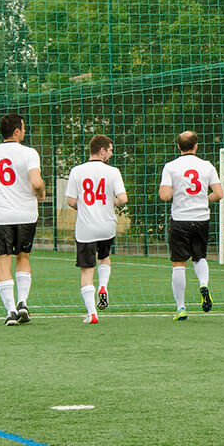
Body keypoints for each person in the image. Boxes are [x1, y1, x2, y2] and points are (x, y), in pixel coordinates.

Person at [0, 113, 46, 326]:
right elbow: (35, 182)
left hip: (1, 217)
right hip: (26, 214)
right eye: (23, 128)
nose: (25, 131)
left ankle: (11, 311)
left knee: (2, 261)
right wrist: (41, 191)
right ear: (17, 131)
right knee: (23, 258)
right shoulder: (29, 153)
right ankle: (23, 302)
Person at [159, 131, 223, 321]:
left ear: (179, 147)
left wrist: (176, 192)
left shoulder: (170, 167)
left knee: (178, 264)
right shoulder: (207, 166)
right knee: (199, 257)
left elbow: (165, 195)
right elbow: (218, 193)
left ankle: (181, 308)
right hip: (201, 217)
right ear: (196, 146)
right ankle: (203, 284)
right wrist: (203, 199)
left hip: (180, 219)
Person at [65, 135, 128, 324]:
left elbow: (70, 201)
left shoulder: (77, 171)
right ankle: (103, 286)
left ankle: (92, 313)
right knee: (104, 258)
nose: (111, 153)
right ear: (101, 151)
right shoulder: (113, 172)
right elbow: (123, 198)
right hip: (106, 226)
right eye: (109, 150)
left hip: (86, 228)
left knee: (86, 270)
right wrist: (111, 203)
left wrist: (84, 207)